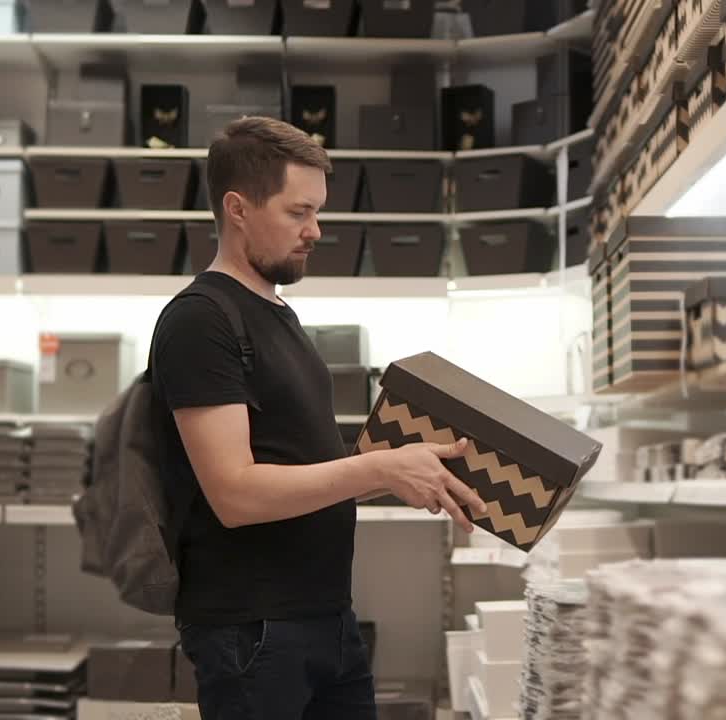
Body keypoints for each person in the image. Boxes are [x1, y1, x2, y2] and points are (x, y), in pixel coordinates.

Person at [149, 116, 488, 720]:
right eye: (298, 212)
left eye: (318, 211)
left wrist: (402, 472)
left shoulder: (278, 316)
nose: (316, 230)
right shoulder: (201, 320)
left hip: (324, 617)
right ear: (238, 208)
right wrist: (379, 467)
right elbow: (236, 494)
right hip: (252, 632)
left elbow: (306, 470)